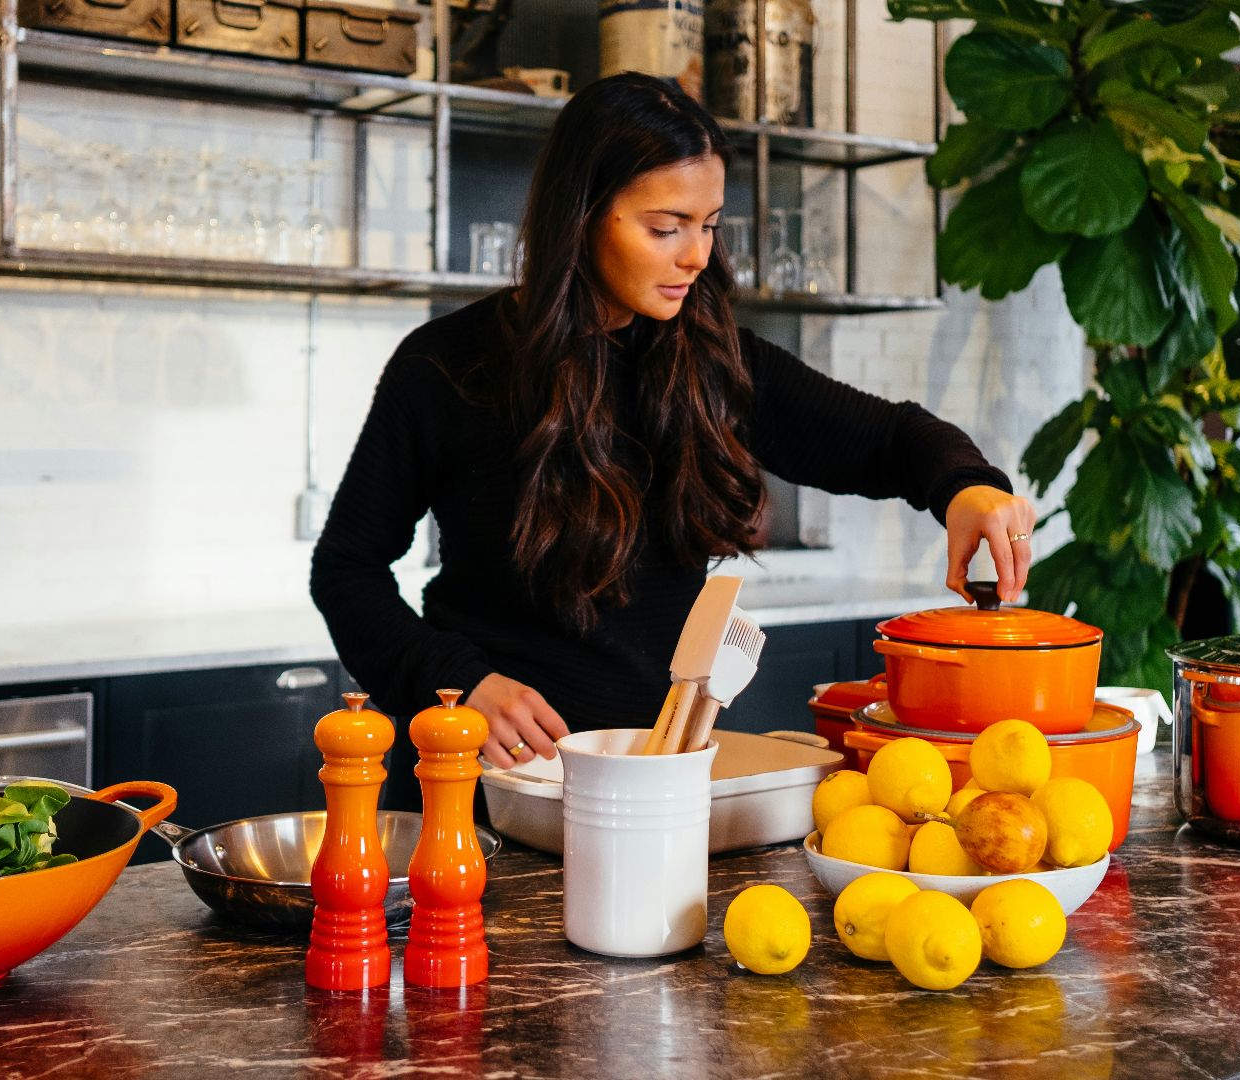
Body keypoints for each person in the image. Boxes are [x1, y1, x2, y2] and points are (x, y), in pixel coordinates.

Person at [311, 73, 1035, 771]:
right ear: (582, 214)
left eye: (709, 225)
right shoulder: (446, 366)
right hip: (484, 781)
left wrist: (965, 486)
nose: (695, 256)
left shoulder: (712, 361)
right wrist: (459, 683)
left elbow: (890, 440)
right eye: (666, 227)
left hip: (654, 779)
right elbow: (346, 570)